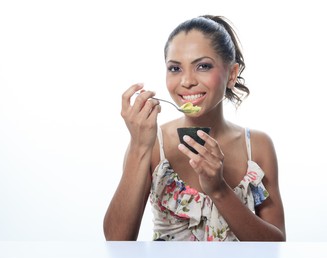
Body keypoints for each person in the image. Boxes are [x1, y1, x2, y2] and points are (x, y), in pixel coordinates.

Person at [103, 15, 286, 241]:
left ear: (231, 74)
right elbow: (116, 241)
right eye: (175, 68)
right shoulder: (151, 143)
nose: (187, 81)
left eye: (203, 66)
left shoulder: (257, 146)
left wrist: (219, 190)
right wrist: (140, 146)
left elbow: (276, 246)